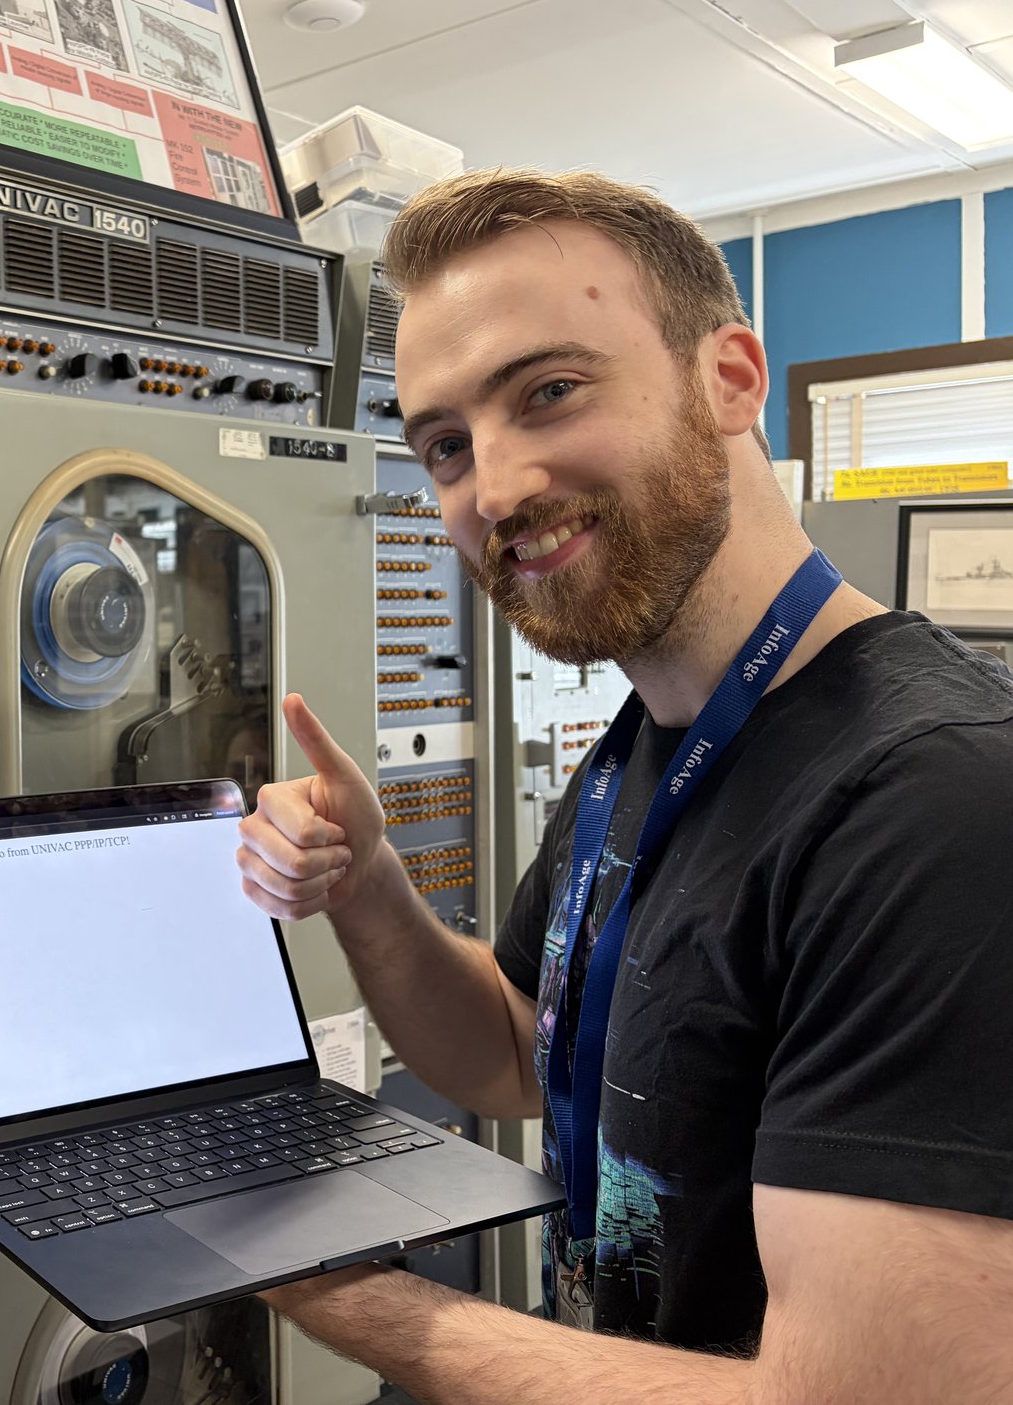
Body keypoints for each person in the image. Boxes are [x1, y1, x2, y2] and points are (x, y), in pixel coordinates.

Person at [235, 168, 1013, 1401]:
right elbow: (513, 1055)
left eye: (547, 392)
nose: (492, 490)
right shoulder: (649, 738)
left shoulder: (934, 805)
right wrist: (368, 885)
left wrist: (354, 1299)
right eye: (445, 445)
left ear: (731, 379)